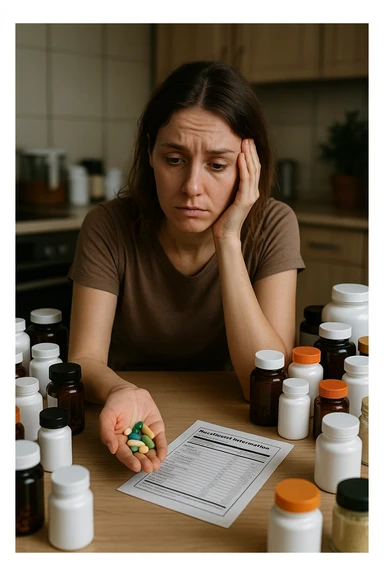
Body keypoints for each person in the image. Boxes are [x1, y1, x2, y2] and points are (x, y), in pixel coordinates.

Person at [67, 60, 305, 474]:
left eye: (217, 165)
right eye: (174, 159)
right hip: (127, 411)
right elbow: (84, 359)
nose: (192, 187)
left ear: (247, 167)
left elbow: (263, 380)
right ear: (150, 154)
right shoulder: (107, 225)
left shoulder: (273, 225)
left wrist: (228, 239)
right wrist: (121, 389)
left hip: (228, 416)